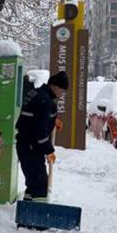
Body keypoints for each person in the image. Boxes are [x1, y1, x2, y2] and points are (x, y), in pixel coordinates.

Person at [15, 71, 69, 202]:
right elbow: (40, 133)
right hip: (31, 146)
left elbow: (34, 117)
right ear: (54, 86)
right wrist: (49, 151)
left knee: (33, 183)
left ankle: (28, 209)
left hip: (26, 144)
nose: (62, 94)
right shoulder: (44, 101)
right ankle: (38, 212)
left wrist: (52, 120)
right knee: (40, 185)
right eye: (62, 90)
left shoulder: (37, 93)